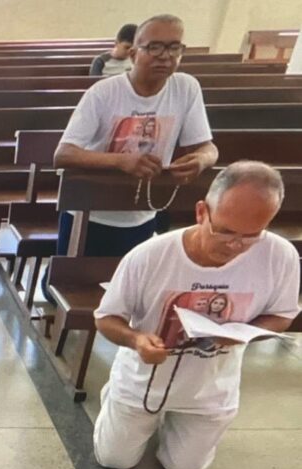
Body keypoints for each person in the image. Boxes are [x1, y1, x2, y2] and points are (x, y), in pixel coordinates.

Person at [93, 161, 299, 469]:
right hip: (145, 378)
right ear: (202, 212)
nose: (235, 246)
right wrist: (136, 339)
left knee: (184, 468)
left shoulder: (280, 256)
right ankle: (117, 399)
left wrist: (244, 333)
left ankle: (178, 424)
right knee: (115, 459)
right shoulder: (149, 255)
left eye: (251, 236)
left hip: (211, 386)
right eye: (226, 231)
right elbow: (107, 317)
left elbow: (283, 315)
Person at [42, 14, 219, 302]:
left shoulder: (186, 88)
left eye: (174, 48)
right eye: (155, 48)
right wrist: (121, 161)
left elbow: (208, 147)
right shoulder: (104, 92)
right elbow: (63, 154)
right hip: (90, 212)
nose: (165, 57)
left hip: (143, 210)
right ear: (134, 53)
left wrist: (201, 159)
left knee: (122, 292)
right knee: (67, 287)